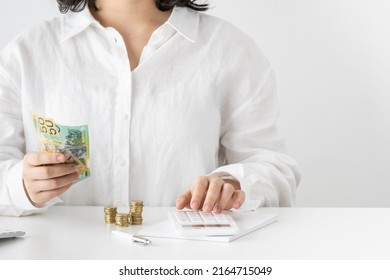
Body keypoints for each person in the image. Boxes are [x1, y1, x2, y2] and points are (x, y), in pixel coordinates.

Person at [0, 0, 300, 216]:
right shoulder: (27, 53)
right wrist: (22, 186)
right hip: (58, 263)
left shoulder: (230, 50)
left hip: (186, 261)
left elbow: (274, 166)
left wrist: (233, 183)